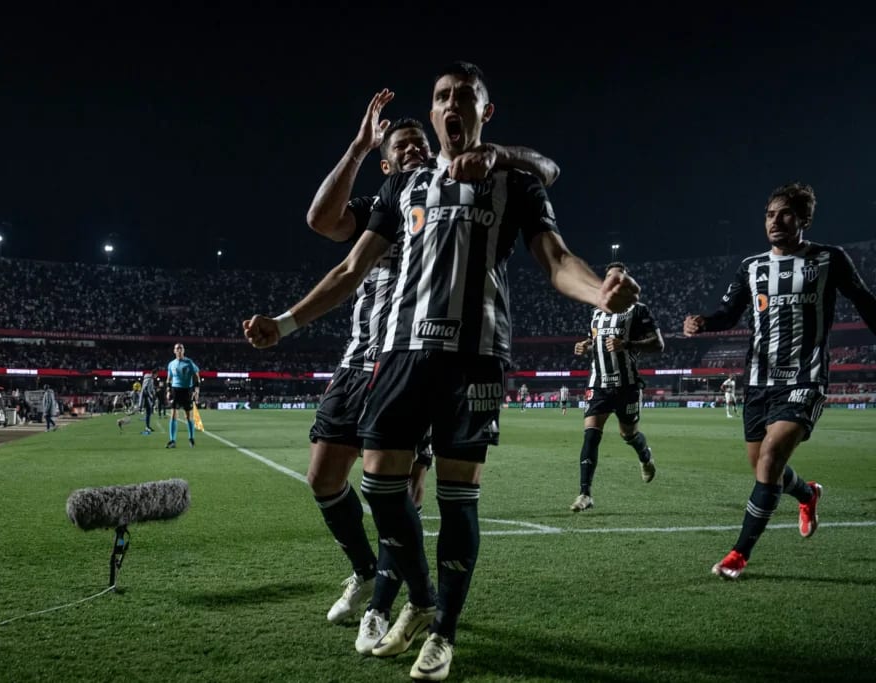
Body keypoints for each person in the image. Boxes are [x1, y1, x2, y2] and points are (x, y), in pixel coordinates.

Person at [244, 62, 639, 681]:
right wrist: (288, 322)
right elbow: (349, 270)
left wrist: (599, 294)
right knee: (379, 486)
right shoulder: (403, 189)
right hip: (400, 355)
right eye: (442, 97)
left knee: (457, 499)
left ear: (485, 111)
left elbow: (556, 259)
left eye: (464, 97)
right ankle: (422, 598)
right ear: (433, 115)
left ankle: (444, 632)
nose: (451, 104)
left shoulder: (517, 183)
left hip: (476, 359)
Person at [301, 88, 561, 655]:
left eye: (422, 140)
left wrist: (496, 157)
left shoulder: (468, 195)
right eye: (404, 144)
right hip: (364, 359)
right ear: (389, 162)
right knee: (327, 479)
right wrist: (359, 148)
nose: (417, 147)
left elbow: (542, 172)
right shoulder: (387, 203)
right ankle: (370, 574)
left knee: (408, 490)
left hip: (424, 358)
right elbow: (324, 223)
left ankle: (390, 607)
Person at [684, 182, 876, 580]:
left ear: (803, 219)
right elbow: (729, 313)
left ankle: (739, 554)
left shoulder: (828, 259)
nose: (775, 221)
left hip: (805, 377)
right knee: (763, 468)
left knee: (770, 459)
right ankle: (808, 494)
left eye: (785, 213)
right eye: (770, 214)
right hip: (758, 380)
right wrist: (703, 322)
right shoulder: (751, 267)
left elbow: (864, 301)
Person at [569, 262, 663, 512]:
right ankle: (585, 494)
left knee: (628, 434)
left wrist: (628, 344)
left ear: (625, 282)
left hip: (627, 385)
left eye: (618, 278)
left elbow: (658, 344)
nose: (613, 281)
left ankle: (645, 457)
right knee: (590, 435)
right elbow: (593, 340)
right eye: (609, 277)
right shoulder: (596, 311)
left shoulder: (638, 310)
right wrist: (585, 346)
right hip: (598, 383)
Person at [166, 343, 200, 448]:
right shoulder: (171, 364)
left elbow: (197, 377)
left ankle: (191, 439)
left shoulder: (189, 362)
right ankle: (172, 441)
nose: (179, 350)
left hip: (187, 390)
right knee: (173, 415)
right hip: (175, 390)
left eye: (181, 348)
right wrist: (168, 390)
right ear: (174, 351)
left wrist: (196, 391)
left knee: (188, 416)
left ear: (183, 350)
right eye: (177, 348)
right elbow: (169, 379)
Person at [139, 371, 156, 435]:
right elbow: (145, 389)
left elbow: (149, 388)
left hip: (147, 397)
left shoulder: (149, 379)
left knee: (148, 412)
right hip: (146, 397)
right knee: (148, 412)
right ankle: (147, 427)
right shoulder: (149, 379)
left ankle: (147, 426)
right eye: (156, 374)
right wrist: (150, 396)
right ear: (154, 373)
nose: (156, 376)